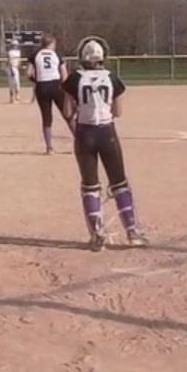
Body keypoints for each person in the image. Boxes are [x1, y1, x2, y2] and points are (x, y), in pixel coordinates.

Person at [62, 38, 147, 250]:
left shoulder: (74, 79)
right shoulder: (111, 77)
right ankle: (132, 231)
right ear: (103, 57)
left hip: (84, 134)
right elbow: (117, 112)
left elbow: (67, 112)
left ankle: (96, 234)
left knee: (90, 185)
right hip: (107, 133)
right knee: (119, 182)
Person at [29, 34, 68, 154]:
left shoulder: (35, 55)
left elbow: (29, 73)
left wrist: (37, 80)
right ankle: (80, 141)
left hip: (42, 87)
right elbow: (64, 73)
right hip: (56, 85)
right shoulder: (56, 55)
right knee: (68, 114)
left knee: (46, 118)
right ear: (51, 44)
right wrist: (65, 88)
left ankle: (49, 147)